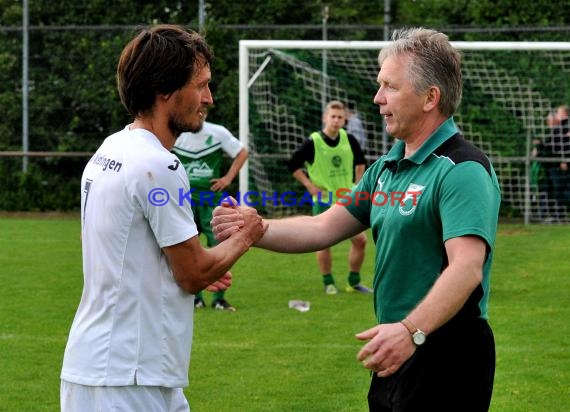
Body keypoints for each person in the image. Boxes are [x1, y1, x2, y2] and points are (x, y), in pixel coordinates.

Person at [212, 27, 500, 412]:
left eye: (390, 87)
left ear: (431, 97)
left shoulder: (461, 169)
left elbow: (466, 269)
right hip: (396, 344)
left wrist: (410, 331)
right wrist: (257, 229)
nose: (377, 99)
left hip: (445, 350)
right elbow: (324, 226)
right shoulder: (386, 168)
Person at [60, 24, 265, 412]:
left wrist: (191, 268)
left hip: (120, 369)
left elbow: (136, 252)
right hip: (126, 377)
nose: (209, 98)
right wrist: (246, 235)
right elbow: (193, 273)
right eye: (201, 85)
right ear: (165, 90)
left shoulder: (112, 147)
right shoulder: (159, 164)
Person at [288, 100, 371, 295]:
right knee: (323, 242)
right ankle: (328, 282)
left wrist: (357, 185)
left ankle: (353, 282)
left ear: (344, 120)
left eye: (339, 117)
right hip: (324, 200)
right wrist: (309, 185)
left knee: (360, 240)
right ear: (325, 118)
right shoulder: (313, 142)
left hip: (347, 200)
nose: (336, 120)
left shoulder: (349, 139)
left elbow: (361, 163)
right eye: (332, 116)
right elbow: (293, 165)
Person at [173, 111, 248, 311]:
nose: (200, 112)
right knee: (187, 247)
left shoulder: (217, 132)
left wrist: (227, 178)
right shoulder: (176, 133)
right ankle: (195, 297)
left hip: (210, 199)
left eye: (203, 109)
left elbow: (242, 152)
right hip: (184, 199)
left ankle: (219, 299)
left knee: (220, 246)